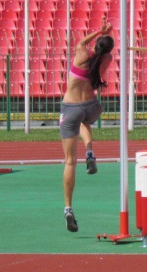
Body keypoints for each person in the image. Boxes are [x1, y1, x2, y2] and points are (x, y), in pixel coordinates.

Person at [60, 22, 114, 233]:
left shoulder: (82, 54)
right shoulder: (106, 60)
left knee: (70, 161)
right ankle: (90, 152)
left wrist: (100, 31)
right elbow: (104, 52)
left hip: (71, 108)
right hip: (91, 106)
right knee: (85, 122)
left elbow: (81, 42)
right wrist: (106, 38)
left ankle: (68, 208)